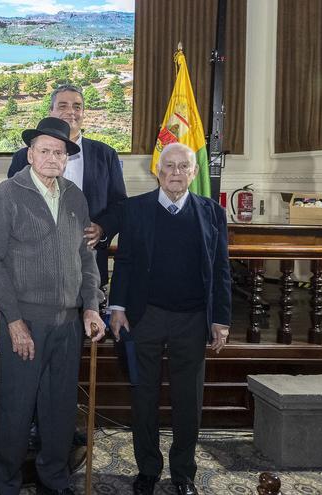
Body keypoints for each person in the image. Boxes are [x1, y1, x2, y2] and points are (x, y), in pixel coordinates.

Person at [0, 117, 106, 495]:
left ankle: (53, 481)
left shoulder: (74, 195)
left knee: (59, 414)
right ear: (30, 154)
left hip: (69, 326)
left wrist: (90, 305)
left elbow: (86, 259)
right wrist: (14, 320)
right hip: (27, 324)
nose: (53, 157)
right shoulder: (9, 192)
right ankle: (7, 485)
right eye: (45, 150)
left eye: (60, 152)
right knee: (17, 413)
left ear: (66, 158)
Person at [109, 142, 232, 495]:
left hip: (193, 320)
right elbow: (127, 262)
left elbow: (221, 269)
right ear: (158, 171)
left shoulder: (211, 212)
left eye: (184, 166)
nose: (176, 172)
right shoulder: (136, 209)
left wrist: (220, 319)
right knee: (144, 397)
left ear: (194, 172)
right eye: (169, 166)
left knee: (187, 401)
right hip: (144, 317)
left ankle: (183, 473)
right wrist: (117, 307)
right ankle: (147, 469)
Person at [7, 84, 126, 285]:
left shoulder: (106, 155)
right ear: (50, 111)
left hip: (88, 264)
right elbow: (11, 205)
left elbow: (120, 205)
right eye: (62, 106)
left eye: (77, 106)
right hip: (34, 265)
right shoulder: (22, 157)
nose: (71, 112)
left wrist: (102, 229)